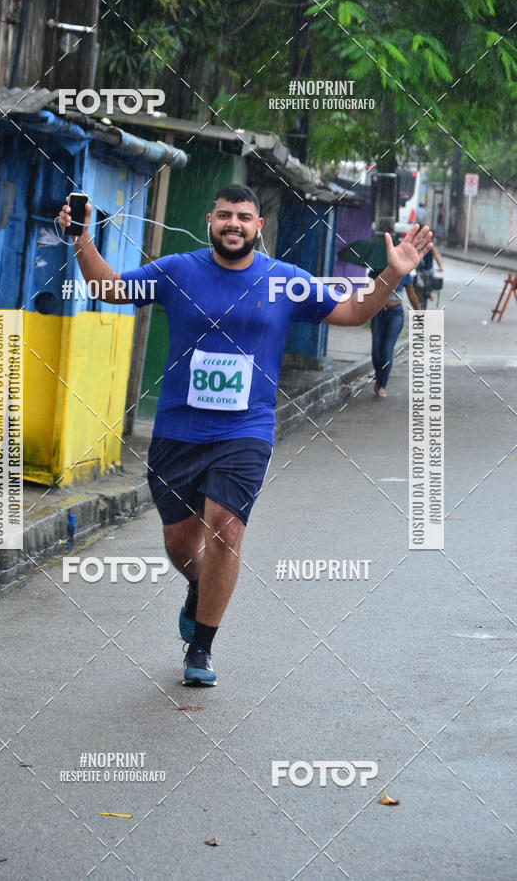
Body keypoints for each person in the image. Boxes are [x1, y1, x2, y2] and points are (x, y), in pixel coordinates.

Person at [58, 184, 432, 686]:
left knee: (226, 530)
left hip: (246, 429)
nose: (234, 224)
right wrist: (82, 238)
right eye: (226, 216)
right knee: (179, 542)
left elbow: (354, 312)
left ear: (259, 227)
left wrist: (392, 273)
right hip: (178, 430)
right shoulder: (178, 271)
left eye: (245, 217)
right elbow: (110, 288)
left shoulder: (283, 281)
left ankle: (201, 649)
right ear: (211, 221)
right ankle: (197, 585)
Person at [370, 270, 420, 398]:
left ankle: (382, 385)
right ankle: (379, 376)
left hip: (396, 314)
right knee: (376, 350)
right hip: (377, 312)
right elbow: (368, 291)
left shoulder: (403, 272)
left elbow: (411, 294)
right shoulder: (376, 271)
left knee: (387, 348)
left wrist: (419, 315)